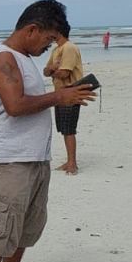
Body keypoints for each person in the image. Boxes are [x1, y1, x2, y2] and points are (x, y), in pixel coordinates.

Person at [0, 0, 95, 262]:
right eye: (48, 39)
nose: (49, 46)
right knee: (1, 226)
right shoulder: (2, 59)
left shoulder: (24, 59)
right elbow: (14, 105)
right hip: (9, 158)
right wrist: (60, 97)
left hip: (35, 156)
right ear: (32, 30)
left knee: (29, 225)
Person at [43, 22, 85, 175]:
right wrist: (52, 69)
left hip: (71, 92)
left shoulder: (69, 48)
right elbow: (45, 71)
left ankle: (72, 163)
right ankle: (69, 161)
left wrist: (53, 70)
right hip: (59, 93)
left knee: (69, 129)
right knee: (63, 128)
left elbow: (64, 73)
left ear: (58, 31)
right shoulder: (56, 50)